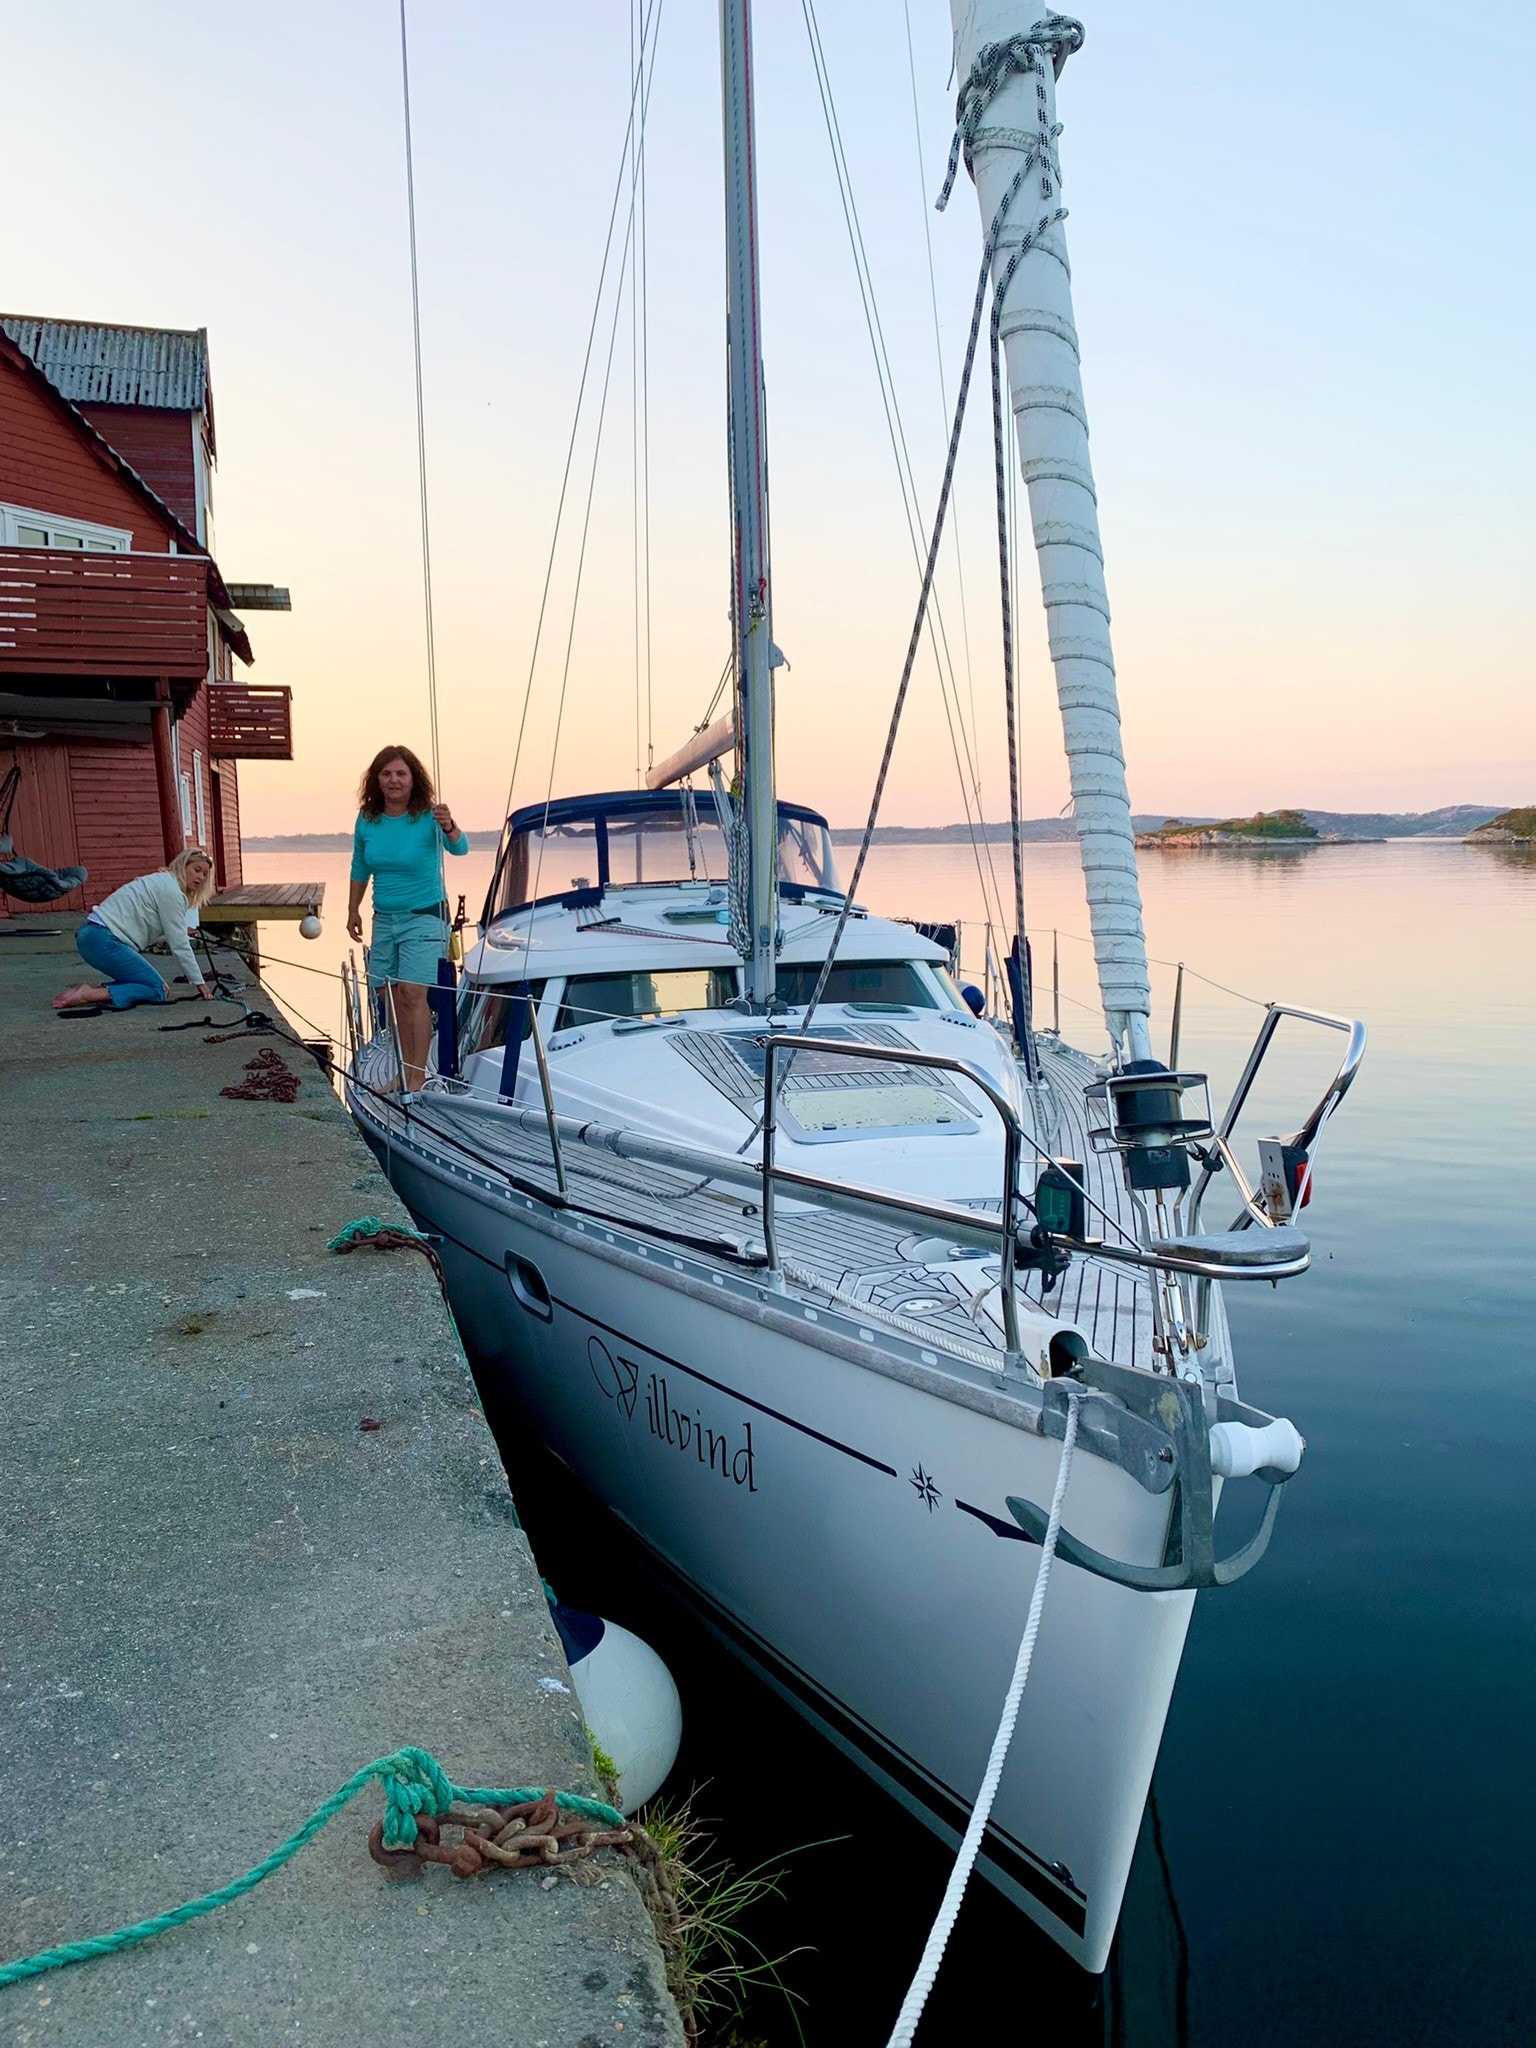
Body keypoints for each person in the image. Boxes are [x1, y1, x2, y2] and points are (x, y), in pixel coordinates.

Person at [347, 745, 468, 1091]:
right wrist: (352, 909)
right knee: (390, 995)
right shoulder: (367, 819)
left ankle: (416, 1077)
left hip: (425, 917)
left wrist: (450, 826)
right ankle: (404, 1069)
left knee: (414, 994)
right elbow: (360, 866)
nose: (393, 780)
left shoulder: (430, 817)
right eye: (386, 773)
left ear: (414, 779)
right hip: (384, 918)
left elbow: (461, 849)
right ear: (376, 779)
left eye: (401, 773)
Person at [53, 848, 216, 1012]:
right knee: (158, 990)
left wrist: (177, 932)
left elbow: (141, 926)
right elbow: (180, 946)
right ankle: (88, 994)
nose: (201, 877)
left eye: (204, 874)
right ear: (182, 866)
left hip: (90, 936)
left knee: (145, 984)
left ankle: (91, 990)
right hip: (103, 941)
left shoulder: (162, 881)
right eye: (197, 870)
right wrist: (199, 983)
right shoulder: (173, 892)